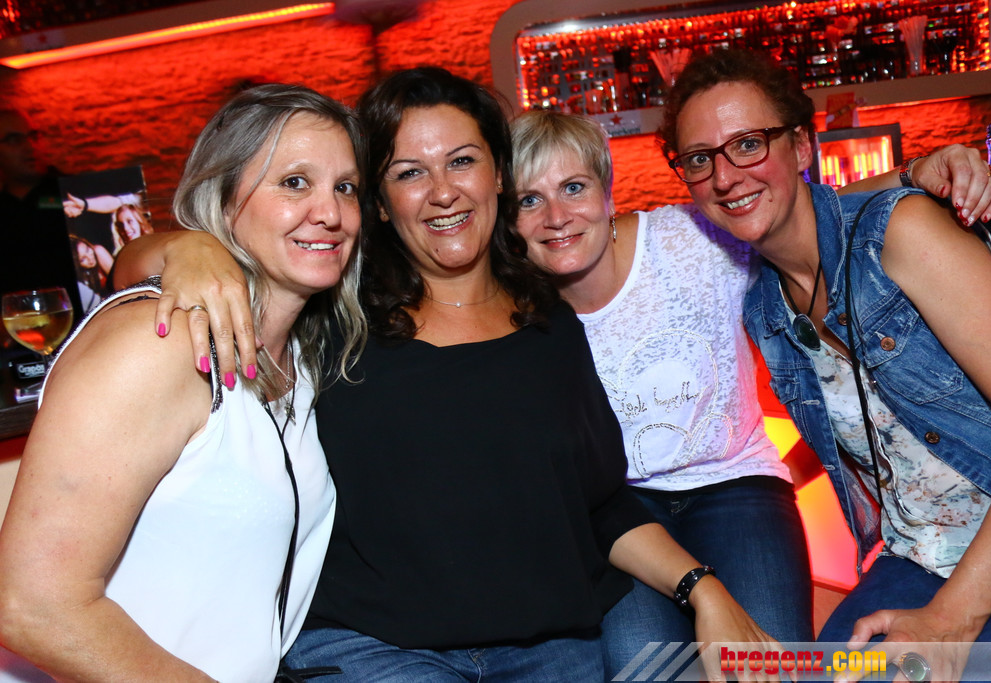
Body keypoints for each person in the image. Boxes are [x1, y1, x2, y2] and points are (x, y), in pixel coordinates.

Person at [115, 66, 778, 681]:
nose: (442, 191)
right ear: (378, 203)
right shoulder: (335, 315)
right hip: (373, 648)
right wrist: (185, 247)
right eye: (409, 172)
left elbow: (600, 502)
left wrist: (705, 591)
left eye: (462, 160)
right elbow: (130, 276)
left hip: (549, 647)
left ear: (498, 175)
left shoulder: (549, 324)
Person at [508, 109, 991, 668]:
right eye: (529, 200)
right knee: (642, 664)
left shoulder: (684, 242)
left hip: (736, 485)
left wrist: (914, 173)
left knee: (769, 661)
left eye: (573, 188)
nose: (556, 216)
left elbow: (805, 212)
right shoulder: (517, 314)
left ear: (606, 190)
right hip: (621, 512)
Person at [660, 47, 991, 680]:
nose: (725, 177)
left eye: (748, 144)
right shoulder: (767, 309)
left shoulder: (903, 234)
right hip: (919, 557)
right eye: (699, 159)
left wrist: (952, 620)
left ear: (802, 146)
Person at [0, 83, 366, 681]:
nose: (330, 212)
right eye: (294, 182)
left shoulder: (301, 356)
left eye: (345, 187)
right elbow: (31, 607)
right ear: (222, 200)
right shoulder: (158, 343)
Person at [0, 108, 82, 319]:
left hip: (85, 323)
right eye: (14, 140)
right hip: (19, 327)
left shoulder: (76, 195)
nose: (30, 146)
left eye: (33, 136)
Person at [68, 234, 114, 311]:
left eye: (87, 250)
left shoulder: (98, 251)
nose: (90, 258)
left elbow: (120, 282)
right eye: (83, 259)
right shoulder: (82, 277)